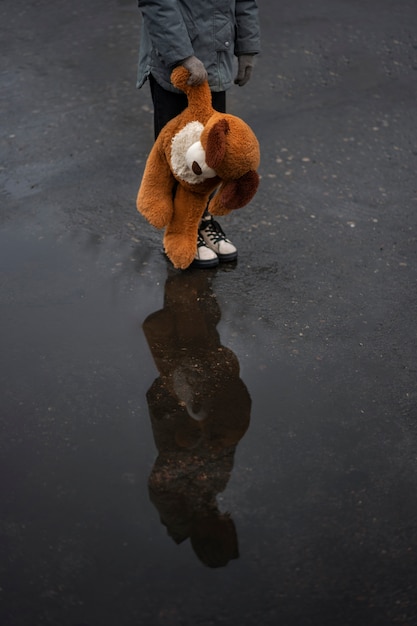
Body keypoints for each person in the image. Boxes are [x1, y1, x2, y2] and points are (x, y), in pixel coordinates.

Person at [137, 0, 260, 268]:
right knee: (179, 156)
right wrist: (182, 55)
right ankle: (179, 229)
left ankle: (201, 219)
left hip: (216, 58)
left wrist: (247, 46)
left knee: (212, 153)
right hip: (175, 64)